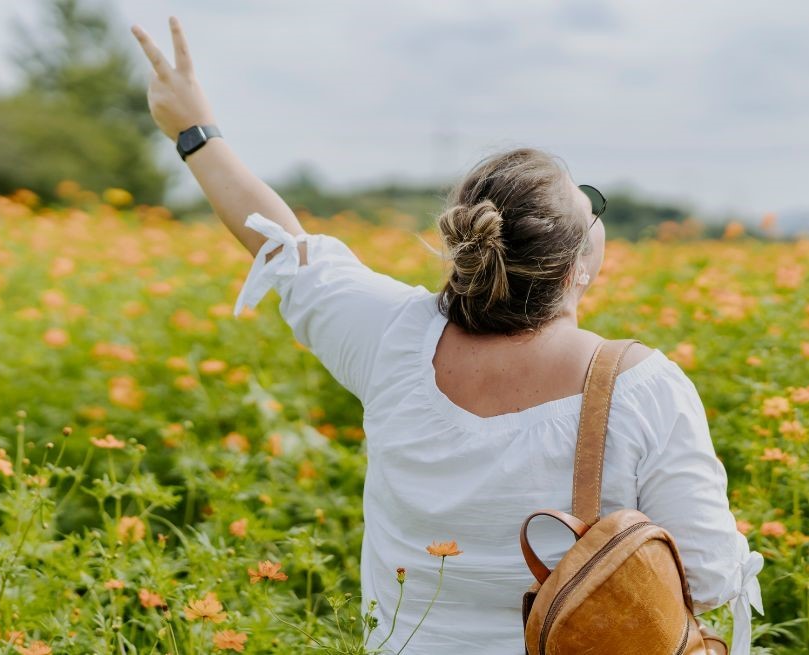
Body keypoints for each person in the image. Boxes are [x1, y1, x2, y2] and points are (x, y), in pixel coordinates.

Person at [130, 16, 763, 654]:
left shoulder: (392, 338)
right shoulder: (643, 388)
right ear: (577, 267)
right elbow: (708, 577)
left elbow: (284, 249)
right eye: (589, 205)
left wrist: (194, 132)